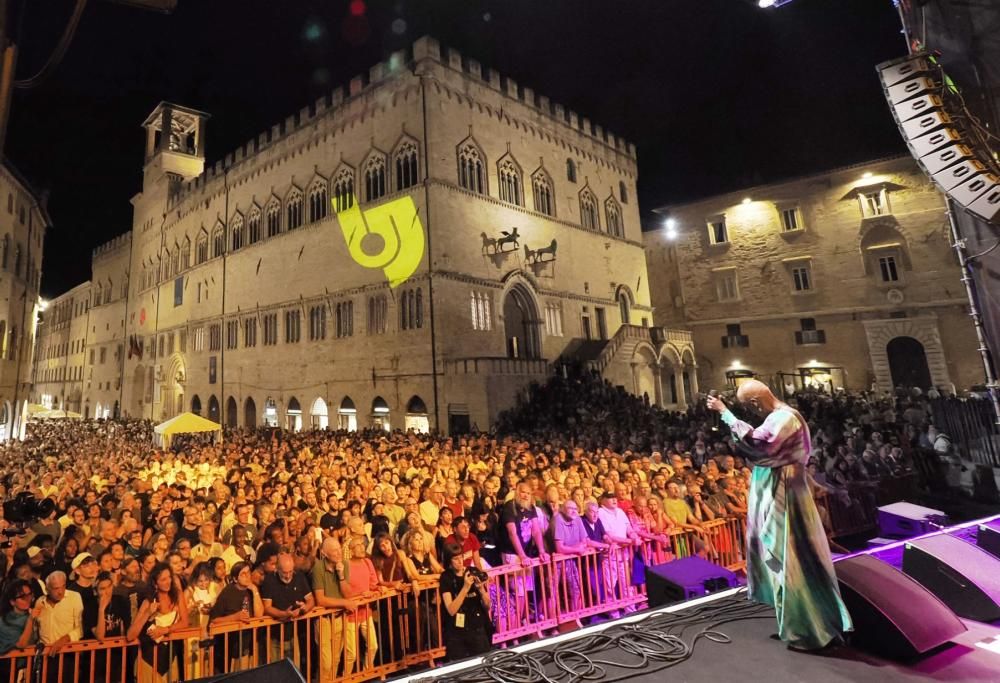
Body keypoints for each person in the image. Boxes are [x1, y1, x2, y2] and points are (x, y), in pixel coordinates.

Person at [707, 380, 853, 651]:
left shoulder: (783, 419)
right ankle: (793, 623)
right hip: (779, 488)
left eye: (746, 406)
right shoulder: (783, 416)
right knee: (780, 557)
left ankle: (810, 629)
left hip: (783, 493)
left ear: (753, 402)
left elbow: (756, 446)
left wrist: (726, 413)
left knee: (789, 558)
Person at [126, 563, 189, 682]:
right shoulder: (148, 601)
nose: (168, 581)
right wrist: (147, 613)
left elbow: (185, 622)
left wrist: (166, 630)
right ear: (155, 583)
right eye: (163, 579)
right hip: (149, 660)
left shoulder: (178, 596)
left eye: (169, 577)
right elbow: (130, 635)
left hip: (170, 657)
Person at [310, 538, 361, 683]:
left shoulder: (344, 564)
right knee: (326, 662)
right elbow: (320, 599)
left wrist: (341, 576)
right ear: (324, 553)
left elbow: (348, 594)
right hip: (324, 620)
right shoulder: (318, 567)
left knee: (336, 659)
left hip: (339, 617)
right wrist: (345, 603)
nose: (339, 553)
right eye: (334, 550)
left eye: (339, 549)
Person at [440, 542, 492, 661]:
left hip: (477, 627)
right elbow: (451, 610)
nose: (459, 561)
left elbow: (488, 605)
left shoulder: (472, 571)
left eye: (461, 557)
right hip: (458, 631)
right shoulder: (446, 577)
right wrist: (465, 588)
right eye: (455, 558)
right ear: (449, 560)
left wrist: (481, 590)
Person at [260, 553, 313, 667]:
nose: (288, 576)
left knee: (294, 669)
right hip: (274, 634)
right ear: (277, 569)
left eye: (290, 572)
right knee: (276, 671)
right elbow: (267, 608)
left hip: (294, 633)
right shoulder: (269, 580)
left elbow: (311, 600)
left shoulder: (299, 576)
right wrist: (284, 614)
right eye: (284, 572)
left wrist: (305, 608)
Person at [209, 561, 263, 671]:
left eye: (248, 572)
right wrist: (235, 617)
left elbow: (259, 615)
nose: (248, 576)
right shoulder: (227, 593)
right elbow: (214, 620)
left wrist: (255, 591)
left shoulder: (252, 590)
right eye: (243, 574)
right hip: (228, 646)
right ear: (235, 578)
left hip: (246, 643)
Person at [0, 579, 41, 681]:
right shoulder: (5, 621)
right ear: (12, 602)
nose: (28, 599)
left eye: (29, 594)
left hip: (29, 666)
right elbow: (21, 644)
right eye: (23, 597)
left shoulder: (32, 613)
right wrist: (31, 619)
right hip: (8, 668)